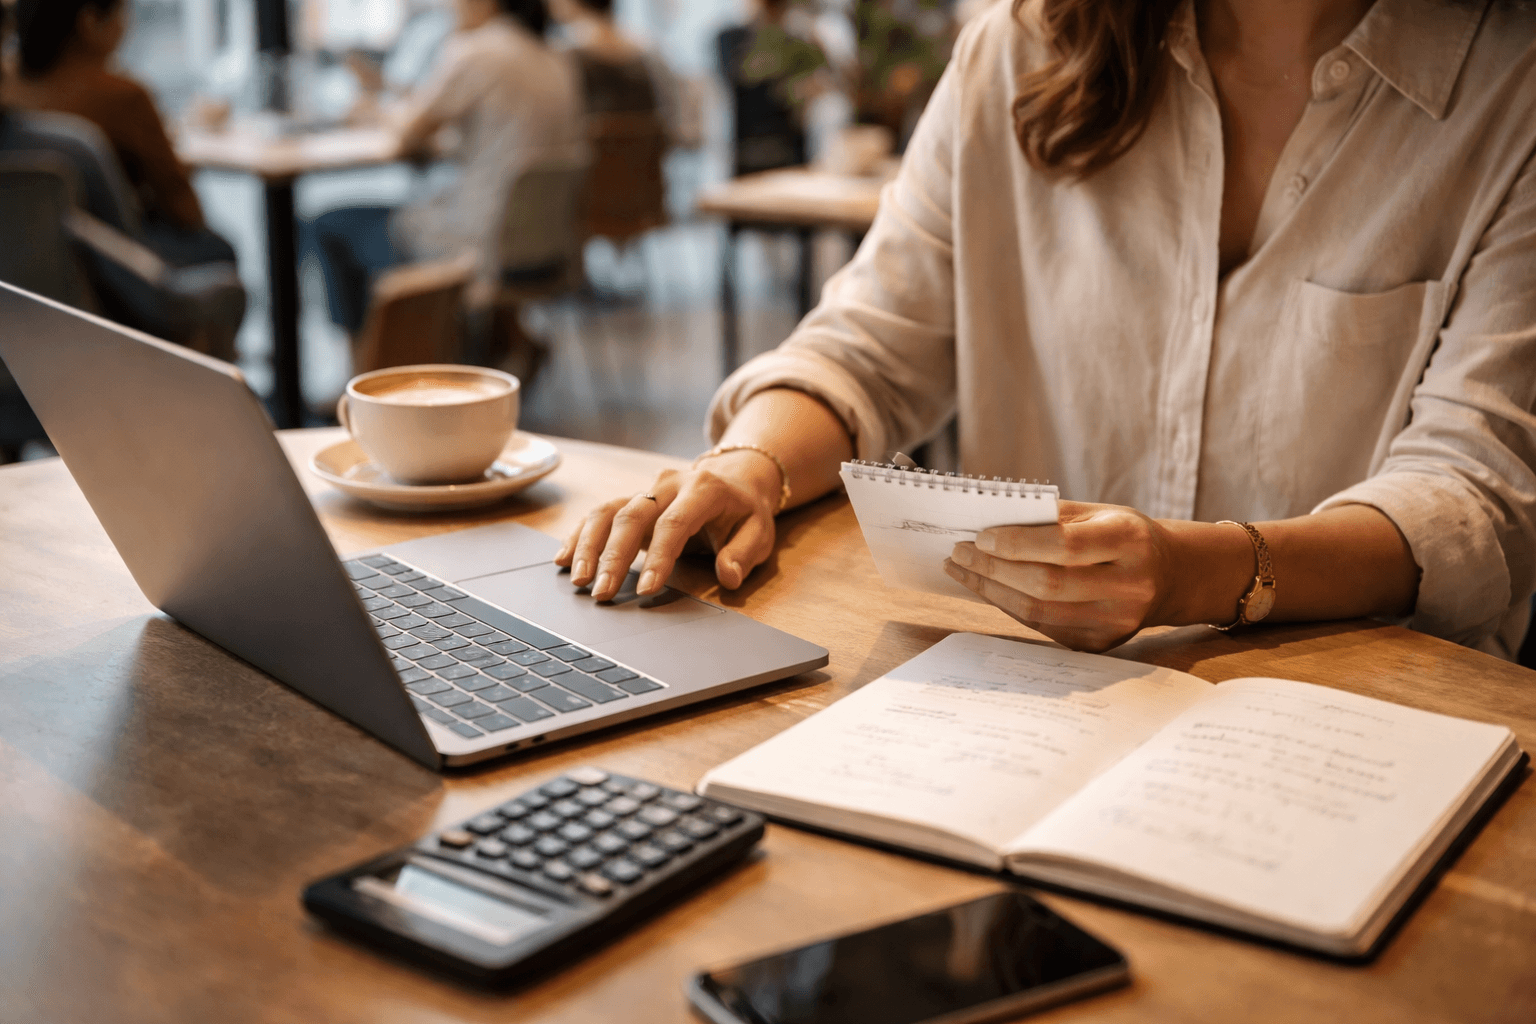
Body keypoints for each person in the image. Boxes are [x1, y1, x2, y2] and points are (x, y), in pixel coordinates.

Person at [559, 0, 1536, 662]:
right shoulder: (1020, 50)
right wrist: (748, 465)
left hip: (1356, 709)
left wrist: (1194, 572)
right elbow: (865, 347)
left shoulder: (1510, 88)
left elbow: (1474, 496)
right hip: (1026, 698)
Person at [310, 0, 584, 338]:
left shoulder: (476, 51)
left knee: (329, 226)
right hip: (544, 249)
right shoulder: (554, 57)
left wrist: (370, 108)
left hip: (474, 247)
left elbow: (407, 135)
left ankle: (367, 371)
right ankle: (503, 341)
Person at [3, 0, 238, 269]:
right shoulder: (123, 97)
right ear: (90, 22)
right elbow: (186, 213)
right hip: (109, 270)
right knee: (218, 249)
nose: (130, 22)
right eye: (124, 10)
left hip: (26, 272)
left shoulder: (10, 90)